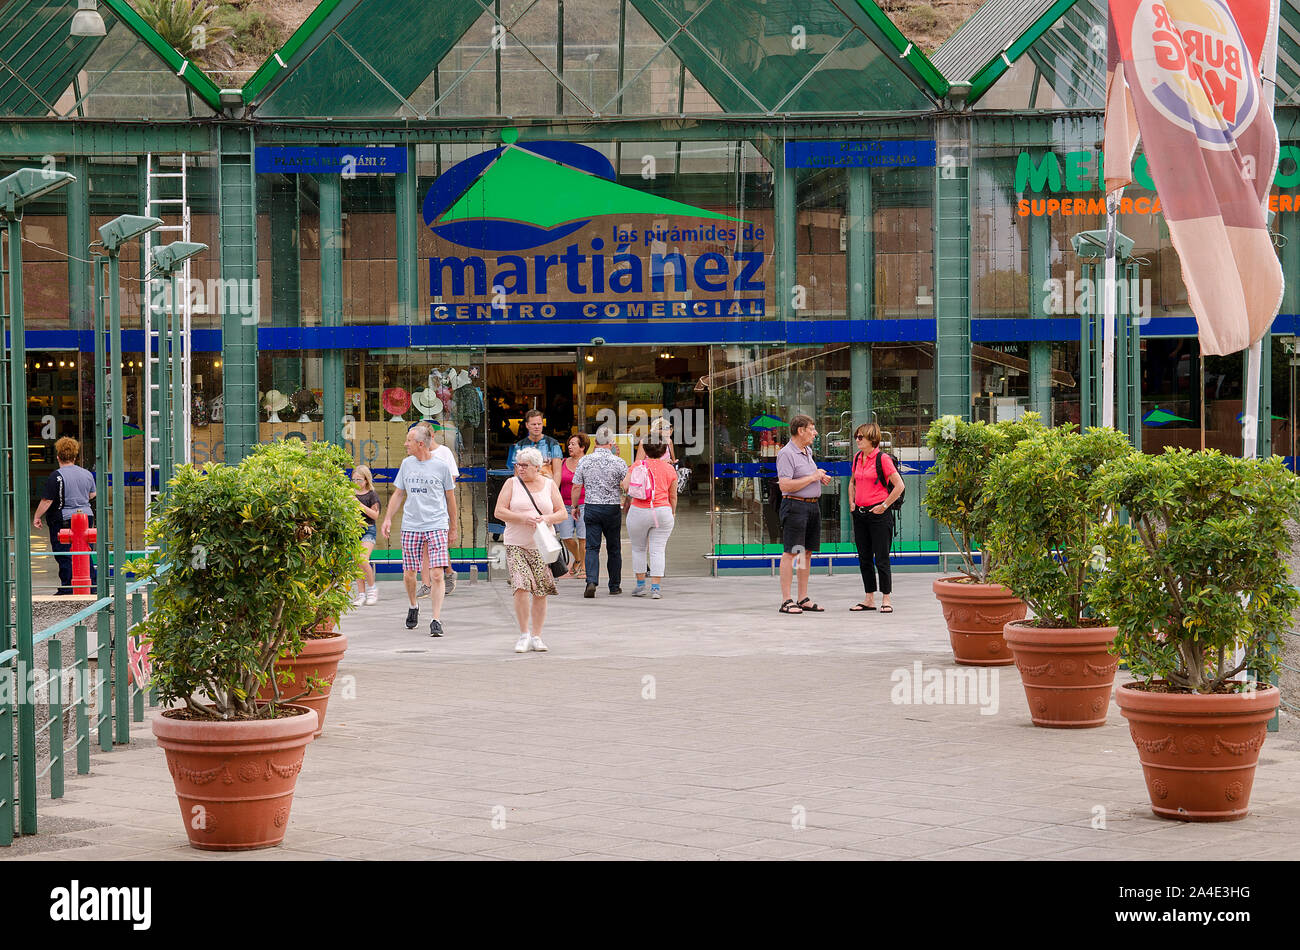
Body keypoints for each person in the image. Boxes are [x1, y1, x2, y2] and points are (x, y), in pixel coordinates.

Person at [381, 424, 458, 638]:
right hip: (411, 525)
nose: (405, 444)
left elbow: (450, 499)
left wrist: (453, 527)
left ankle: (436, 619)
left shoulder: (441, 466)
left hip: (436, 524)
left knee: (436, 573)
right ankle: (413, 605)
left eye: (408, 441)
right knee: (409, 574)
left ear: (420, 443)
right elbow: (398, 494)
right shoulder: (407, 464)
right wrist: (387, 518)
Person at [494, 446, 567, 653]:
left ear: (537, 467)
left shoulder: (549, 485)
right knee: (521, 586)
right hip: (515, 543)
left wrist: (546, 519)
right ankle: (524, 633)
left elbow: (562, 513)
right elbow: (499, 511)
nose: (520, 469)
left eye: (525, 466)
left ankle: (537, 635)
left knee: (540, 591)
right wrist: (522, 518)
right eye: (518, 465)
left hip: (542, 546)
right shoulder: (511, 483)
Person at [775, 414, 831, 614]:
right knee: (791, 552)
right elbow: (785, 485)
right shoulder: (786, 454)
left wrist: (818, 477)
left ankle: (802, 598)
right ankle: (786, 600)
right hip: (795, 506)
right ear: (800, 430)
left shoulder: (806, 451)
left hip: (812, 507)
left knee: (805, 552)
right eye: (812, 429)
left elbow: (806, 477)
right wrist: (812, 477)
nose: (815, 433)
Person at [849, 423, 904, 613]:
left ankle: (886, 598)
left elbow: (899, 486)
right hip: (860, 514)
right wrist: (852, 503)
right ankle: (869, 598)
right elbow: (853, 482)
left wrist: (884, 505)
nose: (857, 440)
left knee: (881, 558)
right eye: (856, 436)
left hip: (879, 515)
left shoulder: (883, 459)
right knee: (864, 558)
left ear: (872, 439)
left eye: (860, 437)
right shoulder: (857, 458)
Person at [33, 436, 96, 596]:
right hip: (86, 516)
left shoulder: (56, 476)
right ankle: (92, 584)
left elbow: (47, 500)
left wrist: (37, 516)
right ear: (75, 456)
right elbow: (92, 493)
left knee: (64, 552)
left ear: (58, 456)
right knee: (84, 551)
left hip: (64, 518)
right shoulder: (87, 474)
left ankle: (68, 587)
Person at [573, 426, 628, 597]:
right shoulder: (619, 462)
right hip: (612, 508)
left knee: (591, 547)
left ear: (595, 442)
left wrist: (575, 506)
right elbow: (626, 485)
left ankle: (591, 581)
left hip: (591, 506)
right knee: (614, 548)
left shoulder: (585, 461)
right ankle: (614, 585)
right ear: (611, 443)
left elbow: (576, 486)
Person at [623, 437, 677, 599]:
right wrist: (672, 512)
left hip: (639, 511)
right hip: (662, 511)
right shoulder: (669, 469)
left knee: (638, 548)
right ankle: (655, 588)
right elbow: (672, 496)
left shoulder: (637, 465)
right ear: (663, 451)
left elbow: (625, 486)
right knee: (658, 549)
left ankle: (640, 586)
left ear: (645, 450)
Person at [411, 421, 460, 596]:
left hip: (440, 506)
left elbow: (452, 478)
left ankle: (447, 572)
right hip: (421, 506)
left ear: (431, 436)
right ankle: (427, 583)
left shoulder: (444, 453)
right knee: (425, 546)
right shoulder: (417, 455)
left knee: (437, 545)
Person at [557, 432, 588, 578]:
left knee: (583, 538)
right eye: (569, 444)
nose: (569, 446)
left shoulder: (588, 463)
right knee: (566, 537)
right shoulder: (562, 462)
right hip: (565, 505)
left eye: (573, 444)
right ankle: (578, 559)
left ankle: (583, 567)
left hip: (583, 504)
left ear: (582, 447)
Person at [351, 465, 380, 607]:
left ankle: (372, 589)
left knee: (363, 559)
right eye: (354, 479)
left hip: (368, 529)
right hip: (353, 531)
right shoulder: (350, 493)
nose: (356, 482)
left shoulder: (371, 494)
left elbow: (375, 515)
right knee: (357, 562)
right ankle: (361, 594)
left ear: (366, 480)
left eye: (359, 479)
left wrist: (360, 505)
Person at [506, 409, 563, 481]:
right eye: (533, 424)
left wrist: (553, 491)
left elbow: (557, 473)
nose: (537, 427)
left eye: (539, 424)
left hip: (546, 487)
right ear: (527, 425)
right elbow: (517, 473)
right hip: (526, 487)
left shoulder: (553, 444)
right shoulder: (519, 446)